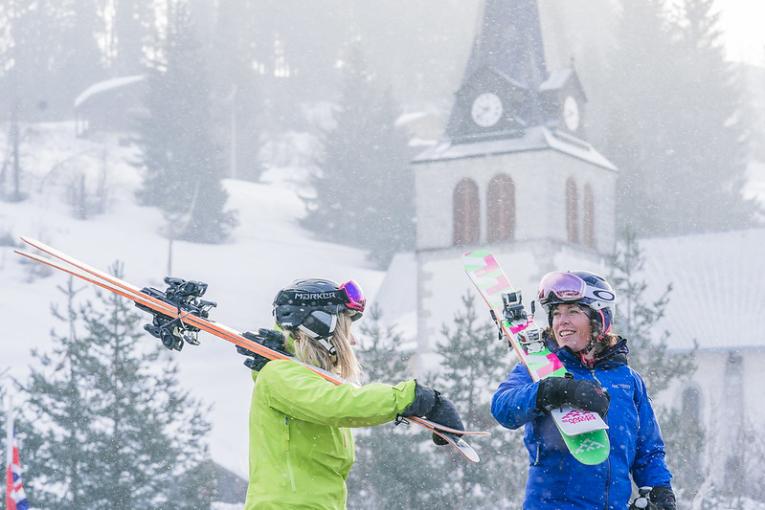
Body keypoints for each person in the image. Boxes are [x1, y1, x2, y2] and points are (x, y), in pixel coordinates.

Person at [237, 278, 465, 510]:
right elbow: (339, 406)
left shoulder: (305, 378)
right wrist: (414, 398)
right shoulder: (279, 375)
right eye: (345, 329)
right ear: (319, 326)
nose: (353, 340)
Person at [491, 271, 676, 510]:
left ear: (599, 320)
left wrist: (661, 491)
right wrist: (553, 391)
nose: (561, 321)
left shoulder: (628, 381)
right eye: (556, 313)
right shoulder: (540, 367)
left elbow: (648, 450)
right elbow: (502, 407)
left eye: (573, 312)